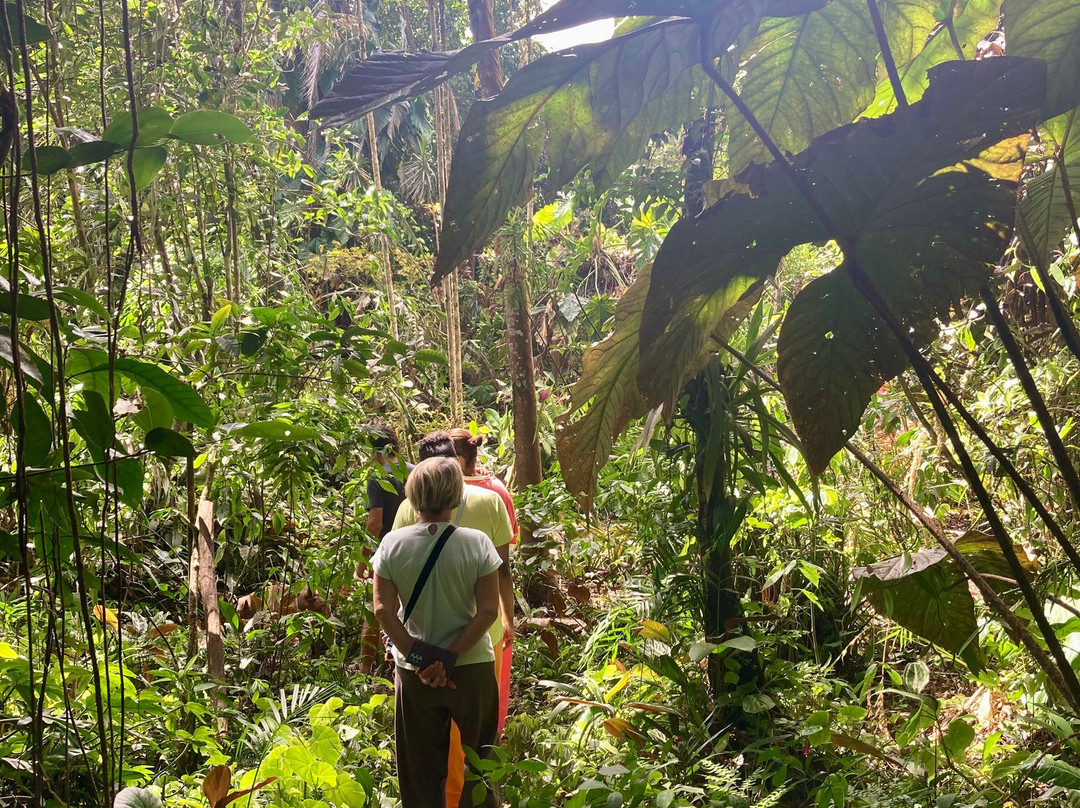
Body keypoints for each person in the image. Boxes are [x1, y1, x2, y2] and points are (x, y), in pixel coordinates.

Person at [393, 431, 514, 808]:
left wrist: (418, 656)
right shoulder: (490, 504)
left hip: (415, 655)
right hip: (476, 644)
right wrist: (510, 619)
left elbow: (386, 606)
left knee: (422, 760)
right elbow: (500, 577)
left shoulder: (400, 522)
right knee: (479, 752)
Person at [447, 428, 517, 732]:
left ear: (458, 460)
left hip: (441, 616)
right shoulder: (496, 492)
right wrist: (508, 616)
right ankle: (488, 748)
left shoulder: (433, 494)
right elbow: (503, 566)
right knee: (488, 697)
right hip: (487, 617)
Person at [359, 426, 412, 674]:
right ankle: (405, 664)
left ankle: (364, 672)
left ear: (374, 451)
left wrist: (362, 561)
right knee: (410, 609)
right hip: (416, 549)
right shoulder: (415, 471)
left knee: (377, 611)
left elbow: (374, 523)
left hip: (387, 553)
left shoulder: (377, 477)